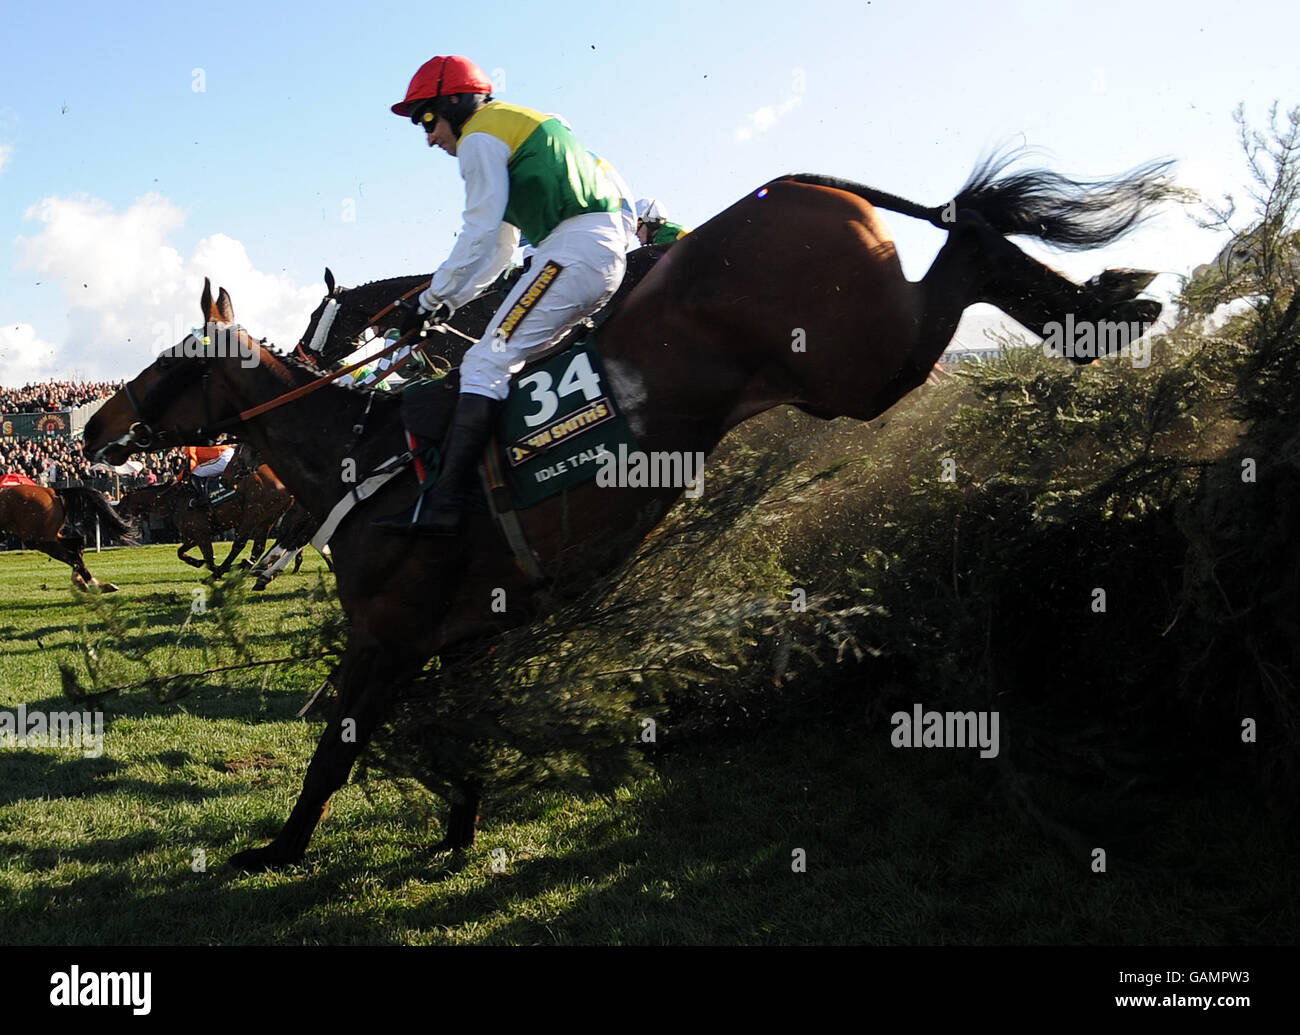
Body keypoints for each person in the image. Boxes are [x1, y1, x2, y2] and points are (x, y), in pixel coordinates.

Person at [374, 55, 631, 535]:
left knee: (484, 363)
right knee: (502, 362)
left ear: (456, 101)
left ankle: (446, 505)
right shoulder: (516, 127)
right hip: (591, 248)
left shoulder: (479, 135)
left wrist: (428, 301)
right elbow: (499, 248)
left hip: (572, 251)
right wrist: (448, 302)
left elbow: (477, 230)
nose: (430, 137)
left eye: (427, 119)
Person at [185, 444, 235, 508]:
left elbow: (192, 465)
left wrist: (178, 479)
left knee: (195, 472)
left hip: (224, 457)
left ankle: (203, 498)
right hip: (231, 452)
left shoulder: (190, 447)